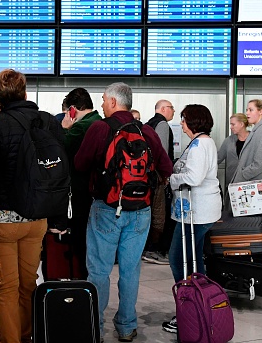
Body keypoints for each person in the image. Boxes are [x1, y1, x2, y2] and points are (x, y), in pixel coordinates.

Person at [74, 82, 172, 343]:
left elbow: (80, 163)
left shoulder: (100, 128)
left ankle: (95, 325)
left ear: (114, 102)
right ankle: (127, 326)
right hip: (141, 211)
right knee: (130, 270)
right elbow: (166, 168)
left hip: (106, 208)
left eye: (104, 99)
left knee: (99, 270)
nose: (102, 104)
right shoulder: (147, 131)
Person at [0, 69, 65, 343]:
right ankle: (27, 336)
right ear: (25, 92)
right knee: (28, 285)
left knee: (6, 289)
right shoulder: (47, 122)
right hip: (36, 218)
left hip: (0, 220)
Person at [162, 104, 222, 334]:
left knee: (179, 259)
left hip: (196, 213)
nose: (182, 125)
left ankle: (189, 308)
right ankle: (200, 305)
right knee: (195, 261)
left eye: (184, 120)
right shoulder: (204, 142)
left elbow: (194, 177)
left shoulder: (200, 144)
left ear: (193, 122)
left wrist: (171, 179)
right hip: (198, 212)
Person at [60, 87, 102, 278]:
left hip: (80, 194)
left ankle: (80, 282)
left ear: (73, 109)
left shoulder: (80, 128)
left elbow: (62, 154)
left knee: (80, 242)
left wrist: (64, 130)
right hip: (99, 192)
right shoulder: (100, 122)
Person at [142, 99, 176, 265]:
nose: (174, 111)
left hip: (146, 177)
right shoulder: (162, 124)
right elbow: (161, 152)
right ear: (163, 109)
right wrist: (165, 175)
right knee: (159, 215)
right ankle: (153, 250)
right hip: (157, 178)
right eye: (171, 108)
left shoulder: (148, 124)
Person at [217, 113, 250, 187]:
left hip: (250, 183)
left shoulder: (255, 139)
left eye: (233, 124)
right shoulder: (228, 141)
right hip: (232, 182)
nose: (231, 127)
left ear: (241, 124)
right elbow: (218, 158)